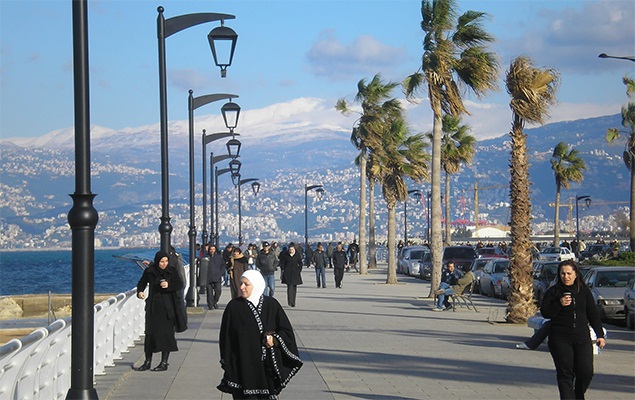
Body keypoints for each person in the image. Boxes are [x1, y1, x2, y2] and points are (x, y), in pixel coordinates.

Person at [217, 270, 303, 399]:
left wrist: (274, 340)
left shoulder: (272, 305)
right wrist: (229, 364)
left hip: (265, 368)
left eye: (246, 284)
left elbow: (286, 332)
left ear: (256, 285)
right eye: (241, 283)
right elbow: (225, 339)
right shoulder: (233, 307)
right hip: (242, 366)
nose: (242, 287)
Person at [540, 260, 605, 399]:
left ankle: (578, 395)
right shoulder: (554, 291)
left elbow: (592, 314)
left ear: (576, 274)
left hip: (581, 337)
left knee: (586, 371)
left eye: (569, 273)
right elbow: (545, 312)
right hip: (560, 338)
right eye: (563, 273)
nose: (566, 277)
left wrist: (599, 335)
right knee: (565, 374)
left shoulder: (584, 291)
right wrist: (559, 303)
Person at [134, 250, 186, 371]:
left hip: (168, 308)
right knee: (150, 334)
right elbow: (142, 282)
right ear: (157, 261)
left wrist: (168, 285)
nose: (164, 264)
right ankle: (147, 361)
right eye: (162, 261)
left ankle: (164, 362)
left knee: (166, 334)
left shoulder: (172, 271)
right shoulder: (150, 271)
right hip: (153, 307)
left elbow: (179, 284)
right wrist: (140, 292)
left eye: (166, 261)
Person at [279, 241, 303, 307]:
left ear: (294, 249)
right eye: (290, 249)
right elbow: (282, 263)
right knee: (289, 287)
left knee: (294, 288)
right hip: (288, 273)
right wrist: (283, 269)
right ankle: (290, 301)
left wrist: (299, 270)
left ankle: (293, 302)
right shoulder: (286, 255)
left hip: (295, 273)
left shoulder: (297, 255)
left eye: (292, 249)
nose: (291, 250)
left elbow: (300, 263)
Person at [206, 244, 225, 310]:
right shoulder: (206, 257)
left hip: (217, 276)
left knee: (218, 291)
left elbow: (222, 265)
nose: (212, 250)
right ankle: (210, 305)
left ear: (215, 250)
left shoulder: (219, 257)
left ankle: (215, 301)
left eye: (213, 249)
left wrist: (221, 273)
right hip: (208, 277)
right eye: (211, 249)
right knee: (209, 292)